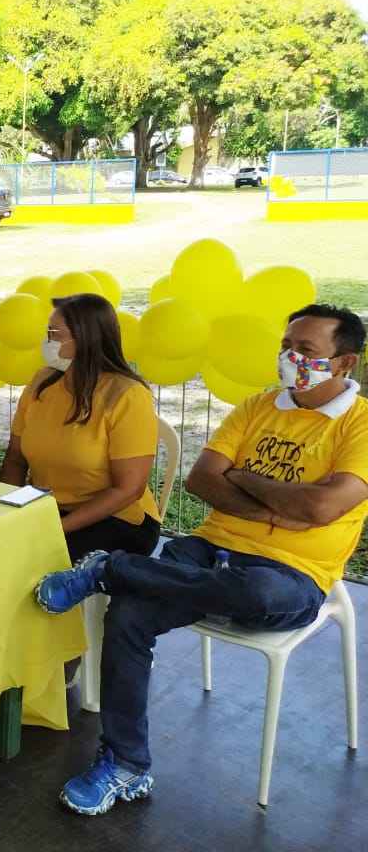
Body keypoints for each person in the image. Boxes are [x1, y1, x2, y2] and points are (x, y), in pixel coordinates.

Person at [34, 304, 368, 817]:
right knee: (128, 616)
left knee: (253, 594)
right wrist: (286, 499)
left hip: (292, 572)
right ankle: (126, 765)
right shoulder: (258, 406)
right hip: (211, 546)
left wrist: (245, 479)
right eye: (287, 345)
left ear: (344, 363)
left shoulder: (360, 426)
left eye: (307, 351)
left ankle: (109, 568)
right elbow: (202, 480)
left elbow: (323, 507)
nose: (290, 357)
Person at [0, 293, 160, 562]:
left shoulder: (127, 395)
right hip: (47, 508)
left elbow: (128, 489)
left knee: (29, 561)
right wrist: (9, 509)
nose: (46, 340)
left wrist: (57, 528)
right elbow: (15, 459)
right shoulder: (42, 382)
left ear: (85, 339)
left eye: (54, 333)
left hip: (117, 520)